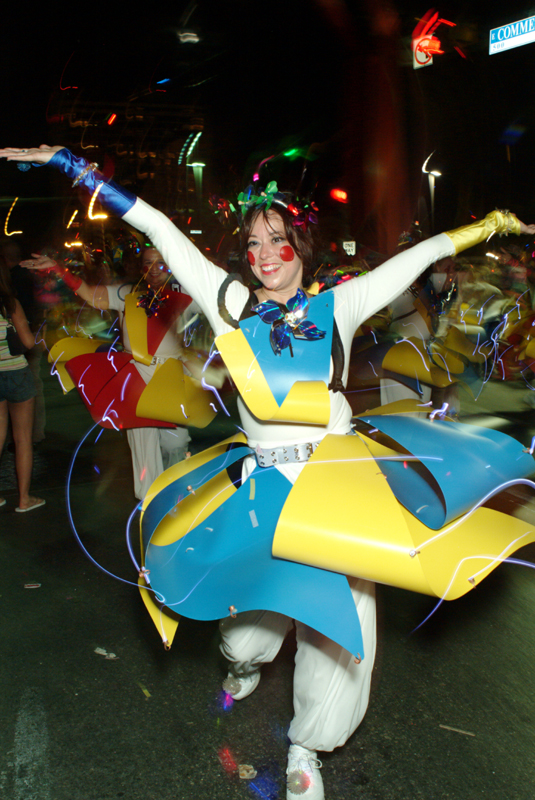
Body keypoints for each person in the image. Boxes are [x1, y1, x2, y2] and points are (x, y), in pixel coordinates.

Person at [2, 146, 534, 800]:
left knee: (342, 623)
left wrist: (487, 226)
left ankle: (307, 746)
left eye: (277, 239)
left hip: (337, 485)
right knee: (246, 629)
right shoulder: (228, 301)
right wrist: (72, 166)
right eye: (253, 243)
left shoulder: (339, 305)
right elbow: (160, 228)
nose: (264, 254)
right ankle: (244, 660)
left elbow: (417, 258)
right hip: (263, 489)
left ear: (300, 247)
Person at [21, 243, 199, 500]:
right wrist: (60, 270)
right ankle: (149, 501)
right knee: (143, 446)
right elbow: (91, 294)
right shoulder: (127, 293)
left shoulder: (186, 294)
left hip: (171, 375)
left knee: (176, 442)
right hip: (137, 375)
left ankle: (176, 494)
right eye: (147, 263)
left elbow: (215, 308)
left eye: (160, 262)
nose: (153, 268)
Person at [0, 256, 45, 512]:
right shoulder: (10, 305)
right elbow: (28, 342)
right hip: (16, 374)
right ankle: (24, 499)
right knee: (23, 439)